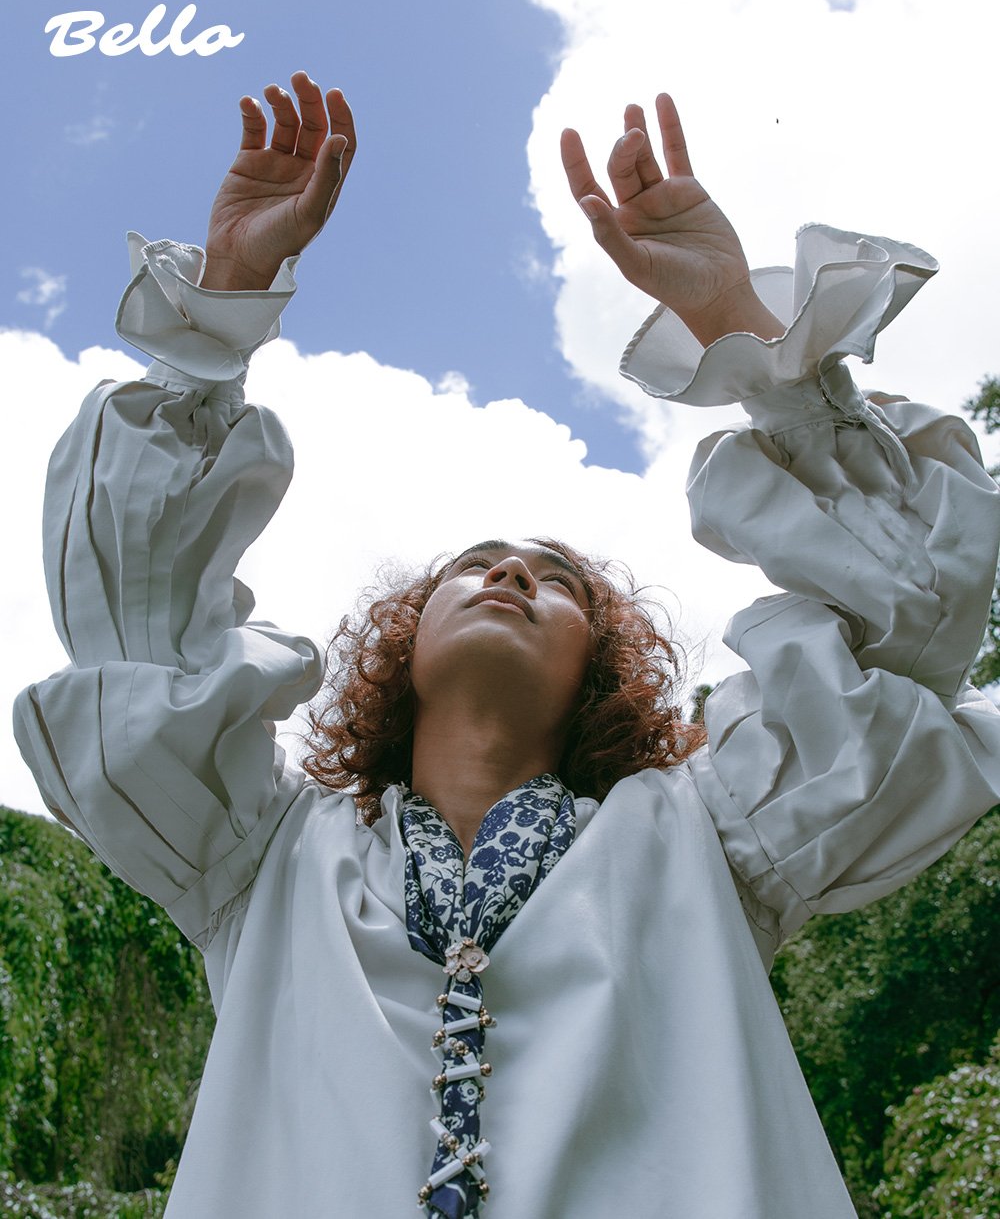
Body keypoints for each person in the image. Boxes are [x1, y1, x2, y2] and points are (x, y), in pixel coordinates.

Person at [14, 72, 1000, 1219]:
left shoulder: (718, 838)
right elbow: (134, 638)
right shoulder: (253, 856)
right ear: (402, 646)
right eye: (476, 564)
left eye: (557, 580)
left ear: (601, 671)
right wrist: (219, 305)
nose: (512, 574)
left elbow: (907, 633)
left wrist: (737, 319)